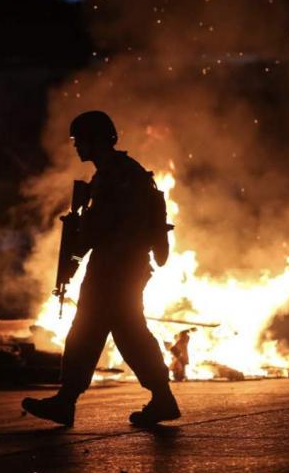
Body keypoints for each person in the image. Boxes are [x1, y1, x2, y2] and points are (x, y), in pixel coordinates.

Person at [22, 110, 180, 427]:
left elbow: (108, 227)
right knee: (121, 332)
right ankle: (160, 399)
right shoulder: (112, 173)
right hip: (117, 266)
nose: (77, 146)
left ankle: (68, 402)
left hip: (118, 267)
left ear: (97, 140)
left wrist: (80, 234)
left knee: (96, 332)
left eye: (81, 140)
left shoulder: (118, 175)